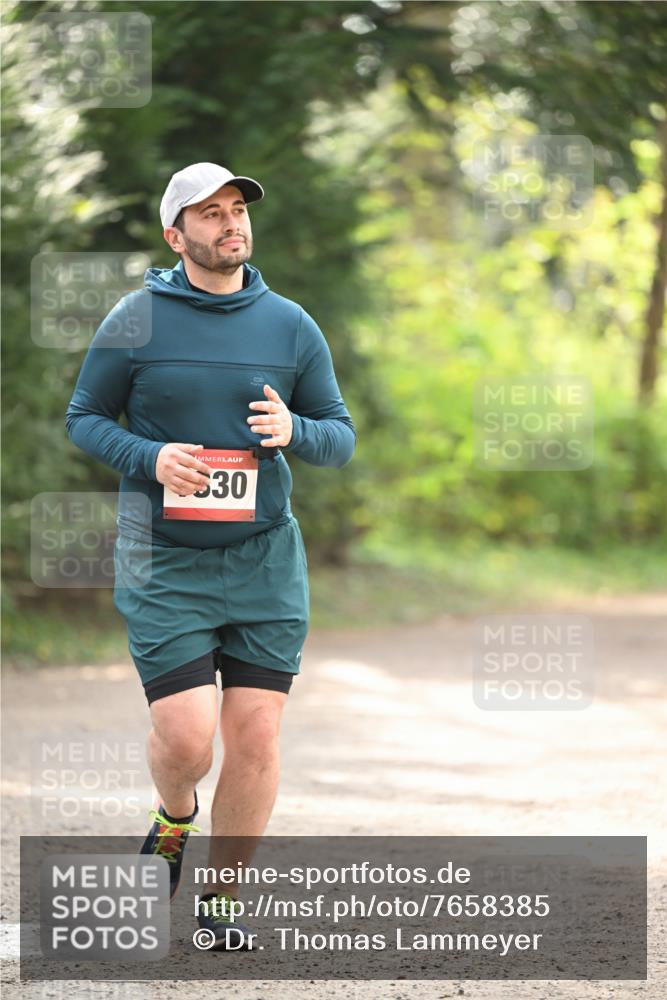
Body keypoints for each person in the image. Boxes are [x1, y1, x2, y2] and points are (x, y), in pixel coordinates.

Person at [65, 161, 356, 949]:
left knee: (255, 735)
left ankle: (221, 900)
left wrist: (296, 431)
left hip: (263, 559)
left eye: (237, 210)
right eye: (211, 213)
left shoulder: (289, 324)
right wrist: (150, 458)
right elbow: (84, 416)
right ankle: (174, 816)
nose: (232, 223)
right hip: (163, 559)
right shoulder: (136, 318)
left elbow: (339, 436)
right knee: (189, 739)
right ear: (176, 235)